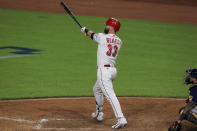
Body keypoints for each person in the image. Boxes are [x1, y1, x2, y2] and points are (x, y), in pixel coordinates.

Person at [81, 18, 127, 129]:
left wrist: (85, 30)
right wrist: (88, 32)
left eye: (107, 25)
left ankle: (121, 119)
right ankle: (99, 113)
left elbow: (92, 35)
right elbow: (94, 36)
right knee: (96, 89)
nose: (105, 26)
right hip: (112, 71)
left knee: (110, 95)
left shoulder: (102, 37)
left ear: (111, 27)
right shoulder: (119, 41)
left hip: (103, 72)